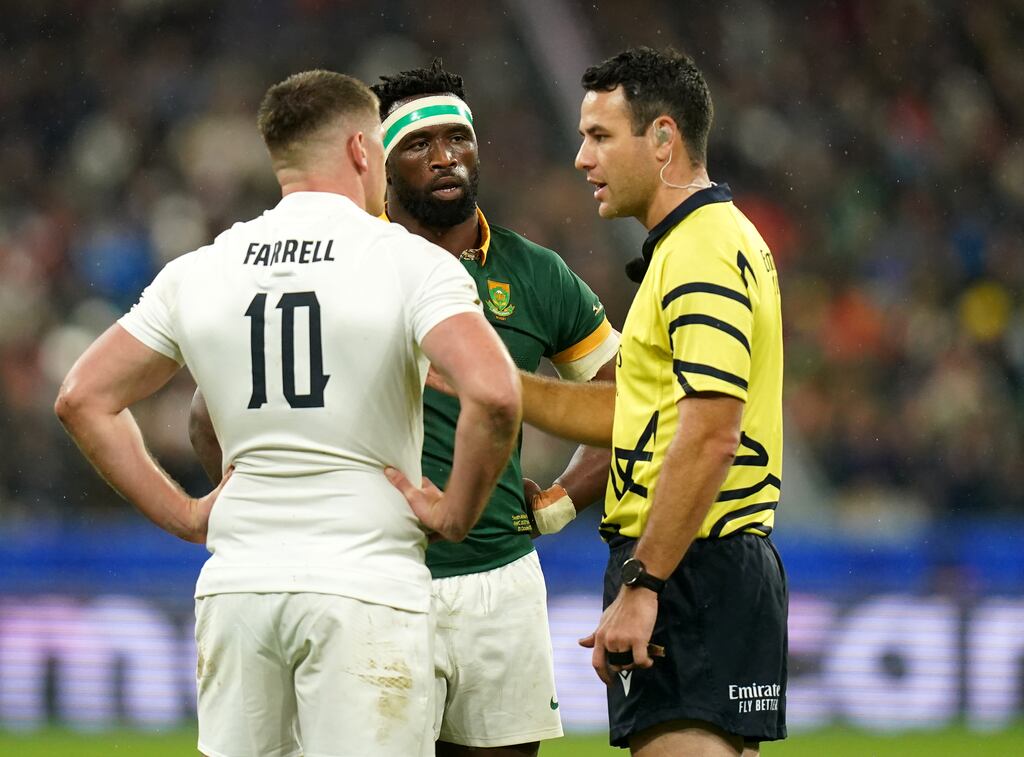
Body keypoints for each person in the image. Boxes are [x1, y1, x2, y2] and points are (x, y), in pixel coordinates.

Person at [54, 69, 521, 757]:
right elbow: (497, 391)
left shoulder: (202, 268)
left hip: (240, 586)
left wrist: (185, 513)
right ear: (364, 151)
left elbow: (82, 397)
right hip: (363, 583)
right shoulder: (408, 264)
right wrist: (455, 511)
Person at [191, 59, 618, 756]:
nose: (446, 157)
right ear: (378, 160)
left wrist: (564, 500)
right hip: (370, 572)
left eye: (459, 139)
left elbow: (626, 400)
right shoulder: (343, 262)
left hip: (495, 577)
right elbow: (210, 413)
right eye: (420, 144)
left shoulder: (536, 272)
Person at [507, 47, 788, 756]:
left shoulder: (698, 250)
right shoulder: (703, 242)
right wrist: (500, 386)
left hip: (691, 569)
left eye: (600, 136)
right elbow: (629, 417)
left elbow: (711, 433)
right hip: (710, 567)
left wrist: (644, 580)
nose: (581, 158)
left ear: (663, 140)